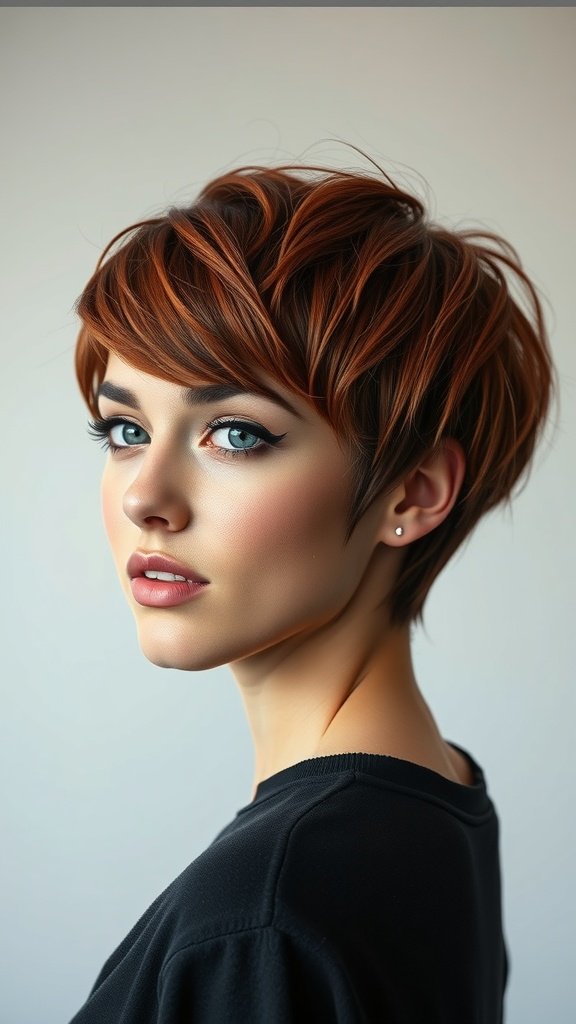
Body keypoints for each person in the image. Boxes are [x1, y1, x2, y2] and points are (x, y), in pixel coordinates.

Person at [69, 158, 554, 1023]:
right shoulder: (437, 797)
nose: (146, 497)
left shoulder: (263, 919)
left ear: (411, 493)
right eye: (126, 429)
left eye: (237, 434)